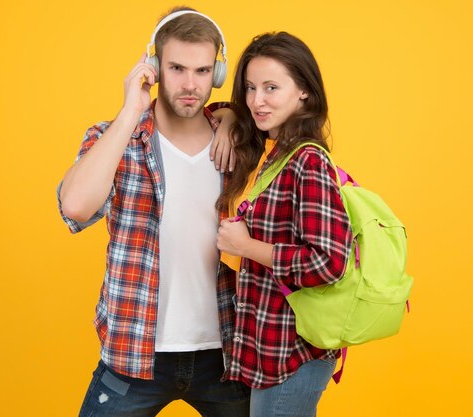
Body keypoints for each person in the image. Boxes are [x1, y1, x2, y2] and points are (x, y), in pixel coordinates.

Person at [57, 7, 249, 417]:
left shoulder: (237, 144)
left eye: (201, 71)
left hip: (226, 354)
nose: (190, 85)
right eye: (177, 68)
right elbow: (75, 207)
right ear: (154, 66)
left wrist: (234, 118)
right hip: (135, 351)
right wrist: (130, 112)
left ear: (216, 73)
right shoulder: (116, 138)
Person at [216, 32, 353, 417]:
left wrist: (246, 248)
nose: (257, 101)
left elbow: (329, 263)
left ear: (304, 92)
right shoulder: (274, 155)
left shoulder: (308, 162)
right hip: (271, 351)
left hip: (296, 354)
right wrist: (228, 116)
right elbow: (213, 110)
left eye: (271, 87)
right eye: (250, 87)